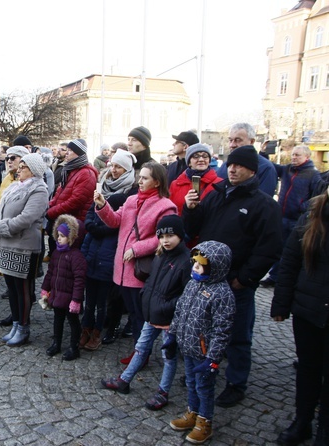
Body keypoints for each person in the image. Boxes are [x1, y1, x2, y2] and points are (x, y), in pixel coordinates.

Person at [183, 145, 282, 408]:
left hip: (236, 283)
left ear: (252, 170)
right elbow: (193, 229)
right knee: (204, 330)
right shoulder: (215, 195)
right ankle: (204, 371)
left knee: (237, 336)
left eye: (239, 165)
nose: (233, 169)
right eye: (230, 164)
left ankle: (236, 383)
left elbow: (269, 249)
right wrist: (191, 209)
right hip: (206, 278)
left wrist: (245, 279)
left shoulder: (263, 205)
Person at [101, 215, 191, 412]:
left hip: (168, 319)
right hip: (152, 315)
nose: (166, 240)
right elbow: (151, 282)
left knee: (168, 356)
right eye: (162, 236)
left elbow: (187, 296)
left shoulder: (185, 261)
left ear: (180, 235)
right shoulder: (160, 255)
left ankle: (163, 391)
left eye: (171, 236)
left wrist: (166, 307)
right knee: (141, 347)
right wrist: (146, 297)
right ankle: (124, 380)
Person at [94, 161, 177, 362]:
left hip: (141, 269)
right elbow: (114, 221)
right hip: (122, 267)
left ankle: (141, 355)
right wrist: (102, 205)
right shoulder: (132, 200)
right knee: (133, 312)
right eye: (140, 177)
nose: (140, 181)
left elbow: (164, 237)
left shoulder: (165, 206)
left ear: (157, 182)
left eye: (145, 178)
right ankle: (140, 352)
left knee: (140, 315)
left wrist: (136, 249)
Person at [271, 187, 329, 446]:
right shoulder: (313, 213)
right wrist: (282, 303)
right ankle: (302, 421)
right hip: (309, 309)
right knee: (308, 368)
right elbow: (291, 259)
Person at [168, 241, 235, 445]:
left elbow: (222, 330)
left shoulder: (222, 294)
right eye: (194, 263)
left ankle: (205, 421)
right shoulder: (192, 283)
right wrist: (172, 335)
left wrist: (213, 358)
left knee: (204, 387)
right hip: (188, 346)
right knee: (190, 382)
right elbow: (180, 312)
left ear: (215, 267)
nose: (194, 268)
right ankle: (193, 411)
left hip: (204, 354)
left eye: (200, 265)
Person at [0, 153, 49, 347]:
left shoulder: (39, 190)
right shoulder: (14, 187)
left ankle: (23, 327)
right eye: (19, 167)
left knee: (22, 289)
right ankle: (15, 323)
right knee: (12, 288)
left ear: (34, 170)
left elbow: (26, 218)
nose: (19, 170)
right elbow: (1, 210)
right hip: (6, 244)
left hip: (24, 247)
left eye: (23, 167)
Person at [80, 149, 138, 350]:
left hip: (111, 247)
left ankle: (102, 330)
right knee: (90, 297)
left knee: (106, 299)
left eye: (118, 166)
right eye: (112, 165)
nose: (113, 170)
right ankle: (86, 329)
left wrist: (101, 229)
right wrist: (90, 225)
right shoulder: (103, 183)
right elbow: (91, 208)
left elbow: (121, 223)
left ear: (127, 169)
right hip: (94, 244)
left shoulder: (131, 191)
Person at [261, 144, 323, 288]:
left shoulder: (312, 174)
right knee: (278, 248)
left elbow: (317, 196)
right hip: (282, 217)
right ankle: (274, 276)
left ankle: (285, 279)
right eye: (293, 154)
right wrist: (263, 153)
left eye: (298, 155)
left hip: (297, 219)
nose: (294, 157)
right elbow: (270, 166)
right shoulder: (287, 169)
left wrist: (303, 207)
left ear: (307, 157)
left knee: (291, 251)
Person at [41, 214, 87, 361]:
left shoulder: (76, 256)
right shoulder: (56, 253)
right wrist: (45, 288)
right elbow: (50, 272)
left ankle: (74, 347)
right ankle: (56, 343)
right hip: (57, 294)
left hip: (69, 297)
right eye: (58, 235)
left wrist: (76, 300)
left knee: (73, 322)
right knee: (57, 319)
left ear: (72, 237)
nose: (59, 238)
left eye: (62, 236)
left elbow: (80, 281)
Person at [46, 138, 98, 257]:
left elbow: (76, 201)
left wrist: (52, 212)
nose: (67, 153)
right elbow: (59, 193)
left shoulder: (86, 173)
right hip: (62, 221)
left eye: (70, 150)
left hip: (73, 224)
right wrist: (49, 206)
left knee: (67, 261)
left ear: (79, 153)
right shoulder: (71, 170)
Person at [215, 122, 277, 196]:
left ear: (252, 141)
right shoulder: (224, 166)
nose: (232, 145)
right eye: (230, 140)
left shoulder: (266, 168)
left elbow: (262, 202)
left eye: (238, 140)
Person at [169, 143, 222, 221]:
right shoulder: (176, 184)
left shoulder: (219, 184)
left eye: (205, 156)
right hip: (180, 230)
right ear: (189, 162)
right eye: (196, 156)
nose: (201, 159)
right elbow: (171, 211)